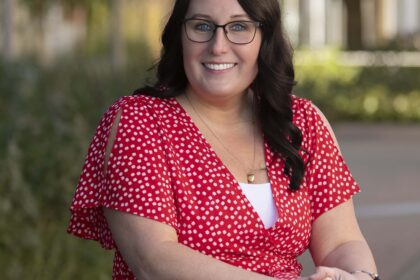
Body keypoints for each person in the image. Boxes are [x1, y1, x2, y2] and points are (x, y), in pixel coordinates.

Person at [67, 0, 380, 279]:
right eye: (202, 26)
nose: (218, 45)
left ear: (265, 38)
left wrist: (358, 275)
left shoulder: (302, 122)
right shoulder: (140, 121)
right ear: (179, 36)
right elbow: (153, 260)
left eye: (239, 27)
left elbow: (342, 241)